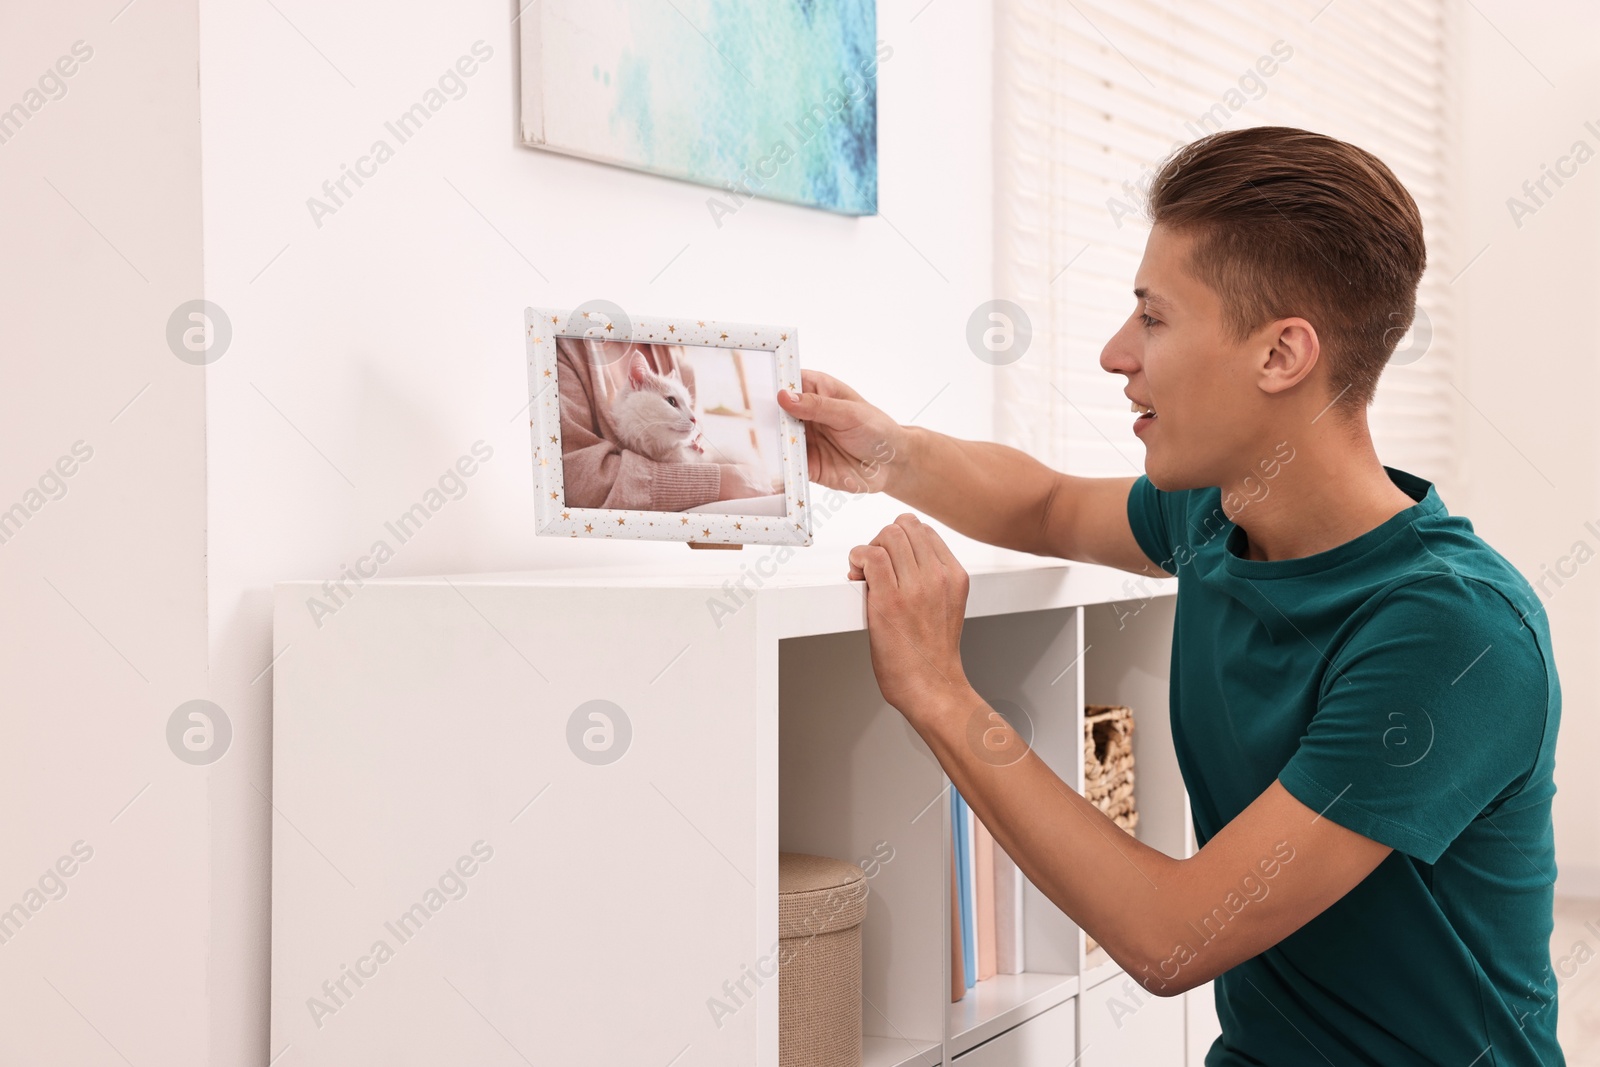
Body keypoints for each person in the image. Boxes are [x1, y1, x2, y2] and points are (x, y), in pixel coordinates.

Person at [777, 127, 1562, 1066]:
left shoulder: (1453, 634)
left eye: (1152, 317)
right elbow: (1049, 503)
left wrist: (940, 693)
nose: (1116, 353)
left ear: (1282, 356)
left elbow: (1172, 935)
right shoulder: (1216, 514)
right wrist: (890, 453)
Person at [556, 337, 768, 510]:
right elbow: (572, 478)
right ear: (637, 382)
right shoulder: (567, 346)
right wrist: (718, 482)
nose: (694, 418)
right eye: (671, 402)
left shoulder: (678, 355)